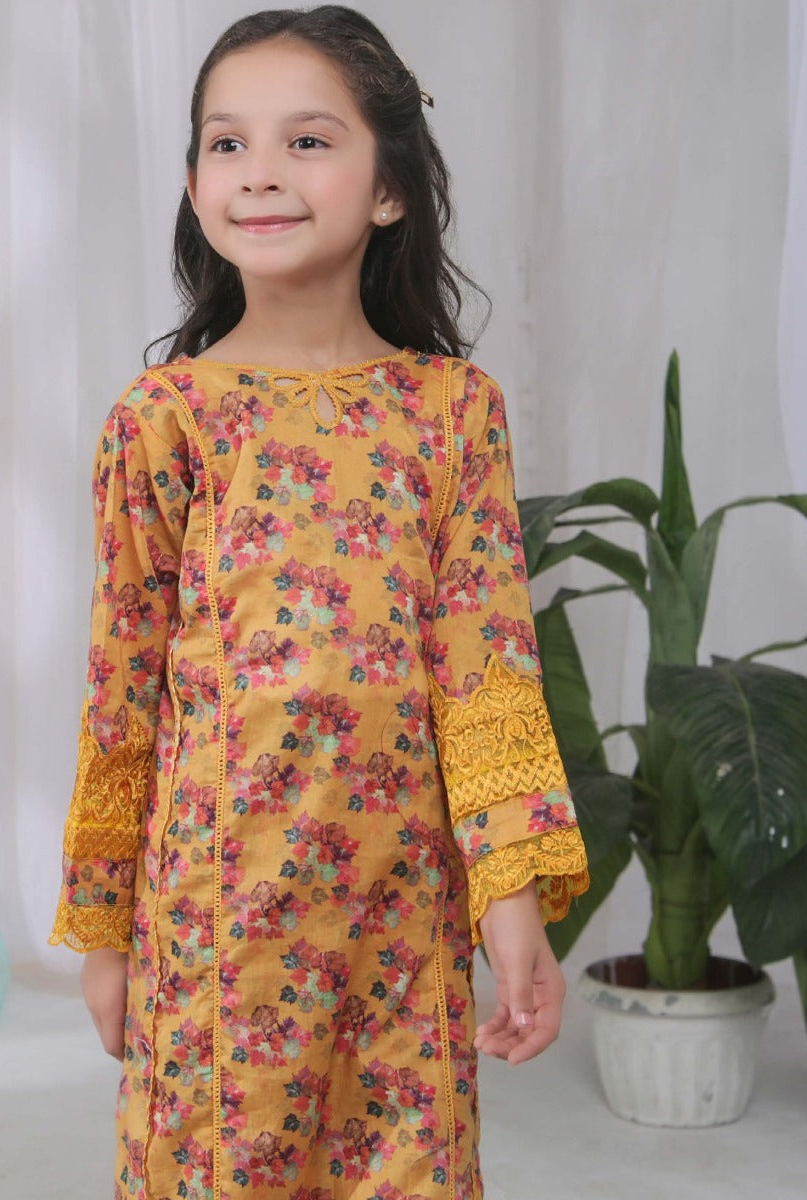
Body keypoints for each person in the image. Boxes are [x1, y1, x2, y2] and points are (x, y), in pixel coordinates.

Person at [49, 6, 589, 1198]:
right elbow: (119, 693)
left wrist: (509, 899)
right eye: (226, 143)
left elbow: (487, 672)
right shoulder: (165, 419)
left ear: (388, 187)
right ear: (193, 185)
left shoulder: (452, 412)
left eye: (305, 140)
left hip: (402, 926)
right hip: (214, 927)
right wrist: (103, 930)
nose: (259, 173)